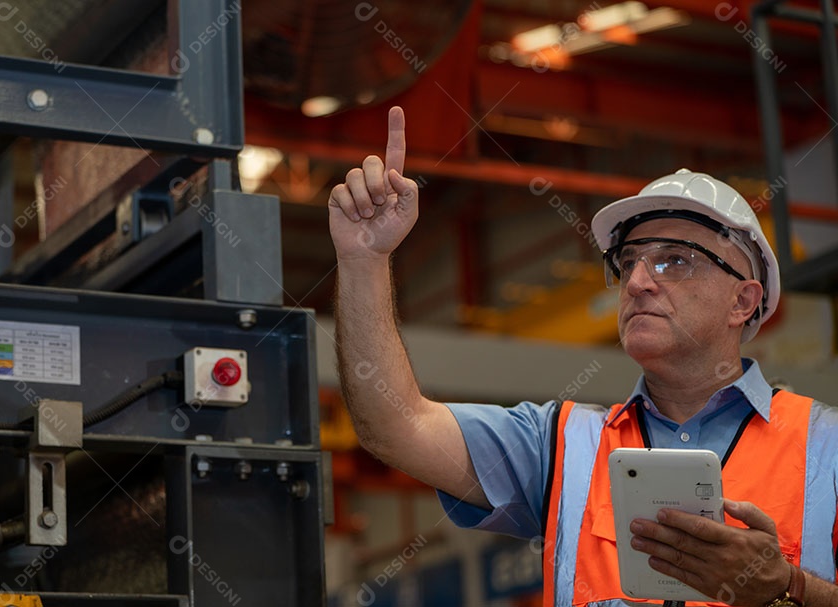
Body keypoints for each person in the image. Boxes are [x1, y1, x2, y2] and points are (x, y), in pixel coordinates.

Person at [329, 106, 838, 607]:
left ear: (742, 301)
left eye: (674, 260)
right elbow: (396, 426)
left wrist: (788, 588)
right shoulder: (561, 446)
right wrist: (364, 261)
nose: (637, 282)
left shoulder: (826, 448)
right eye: (628, 261)